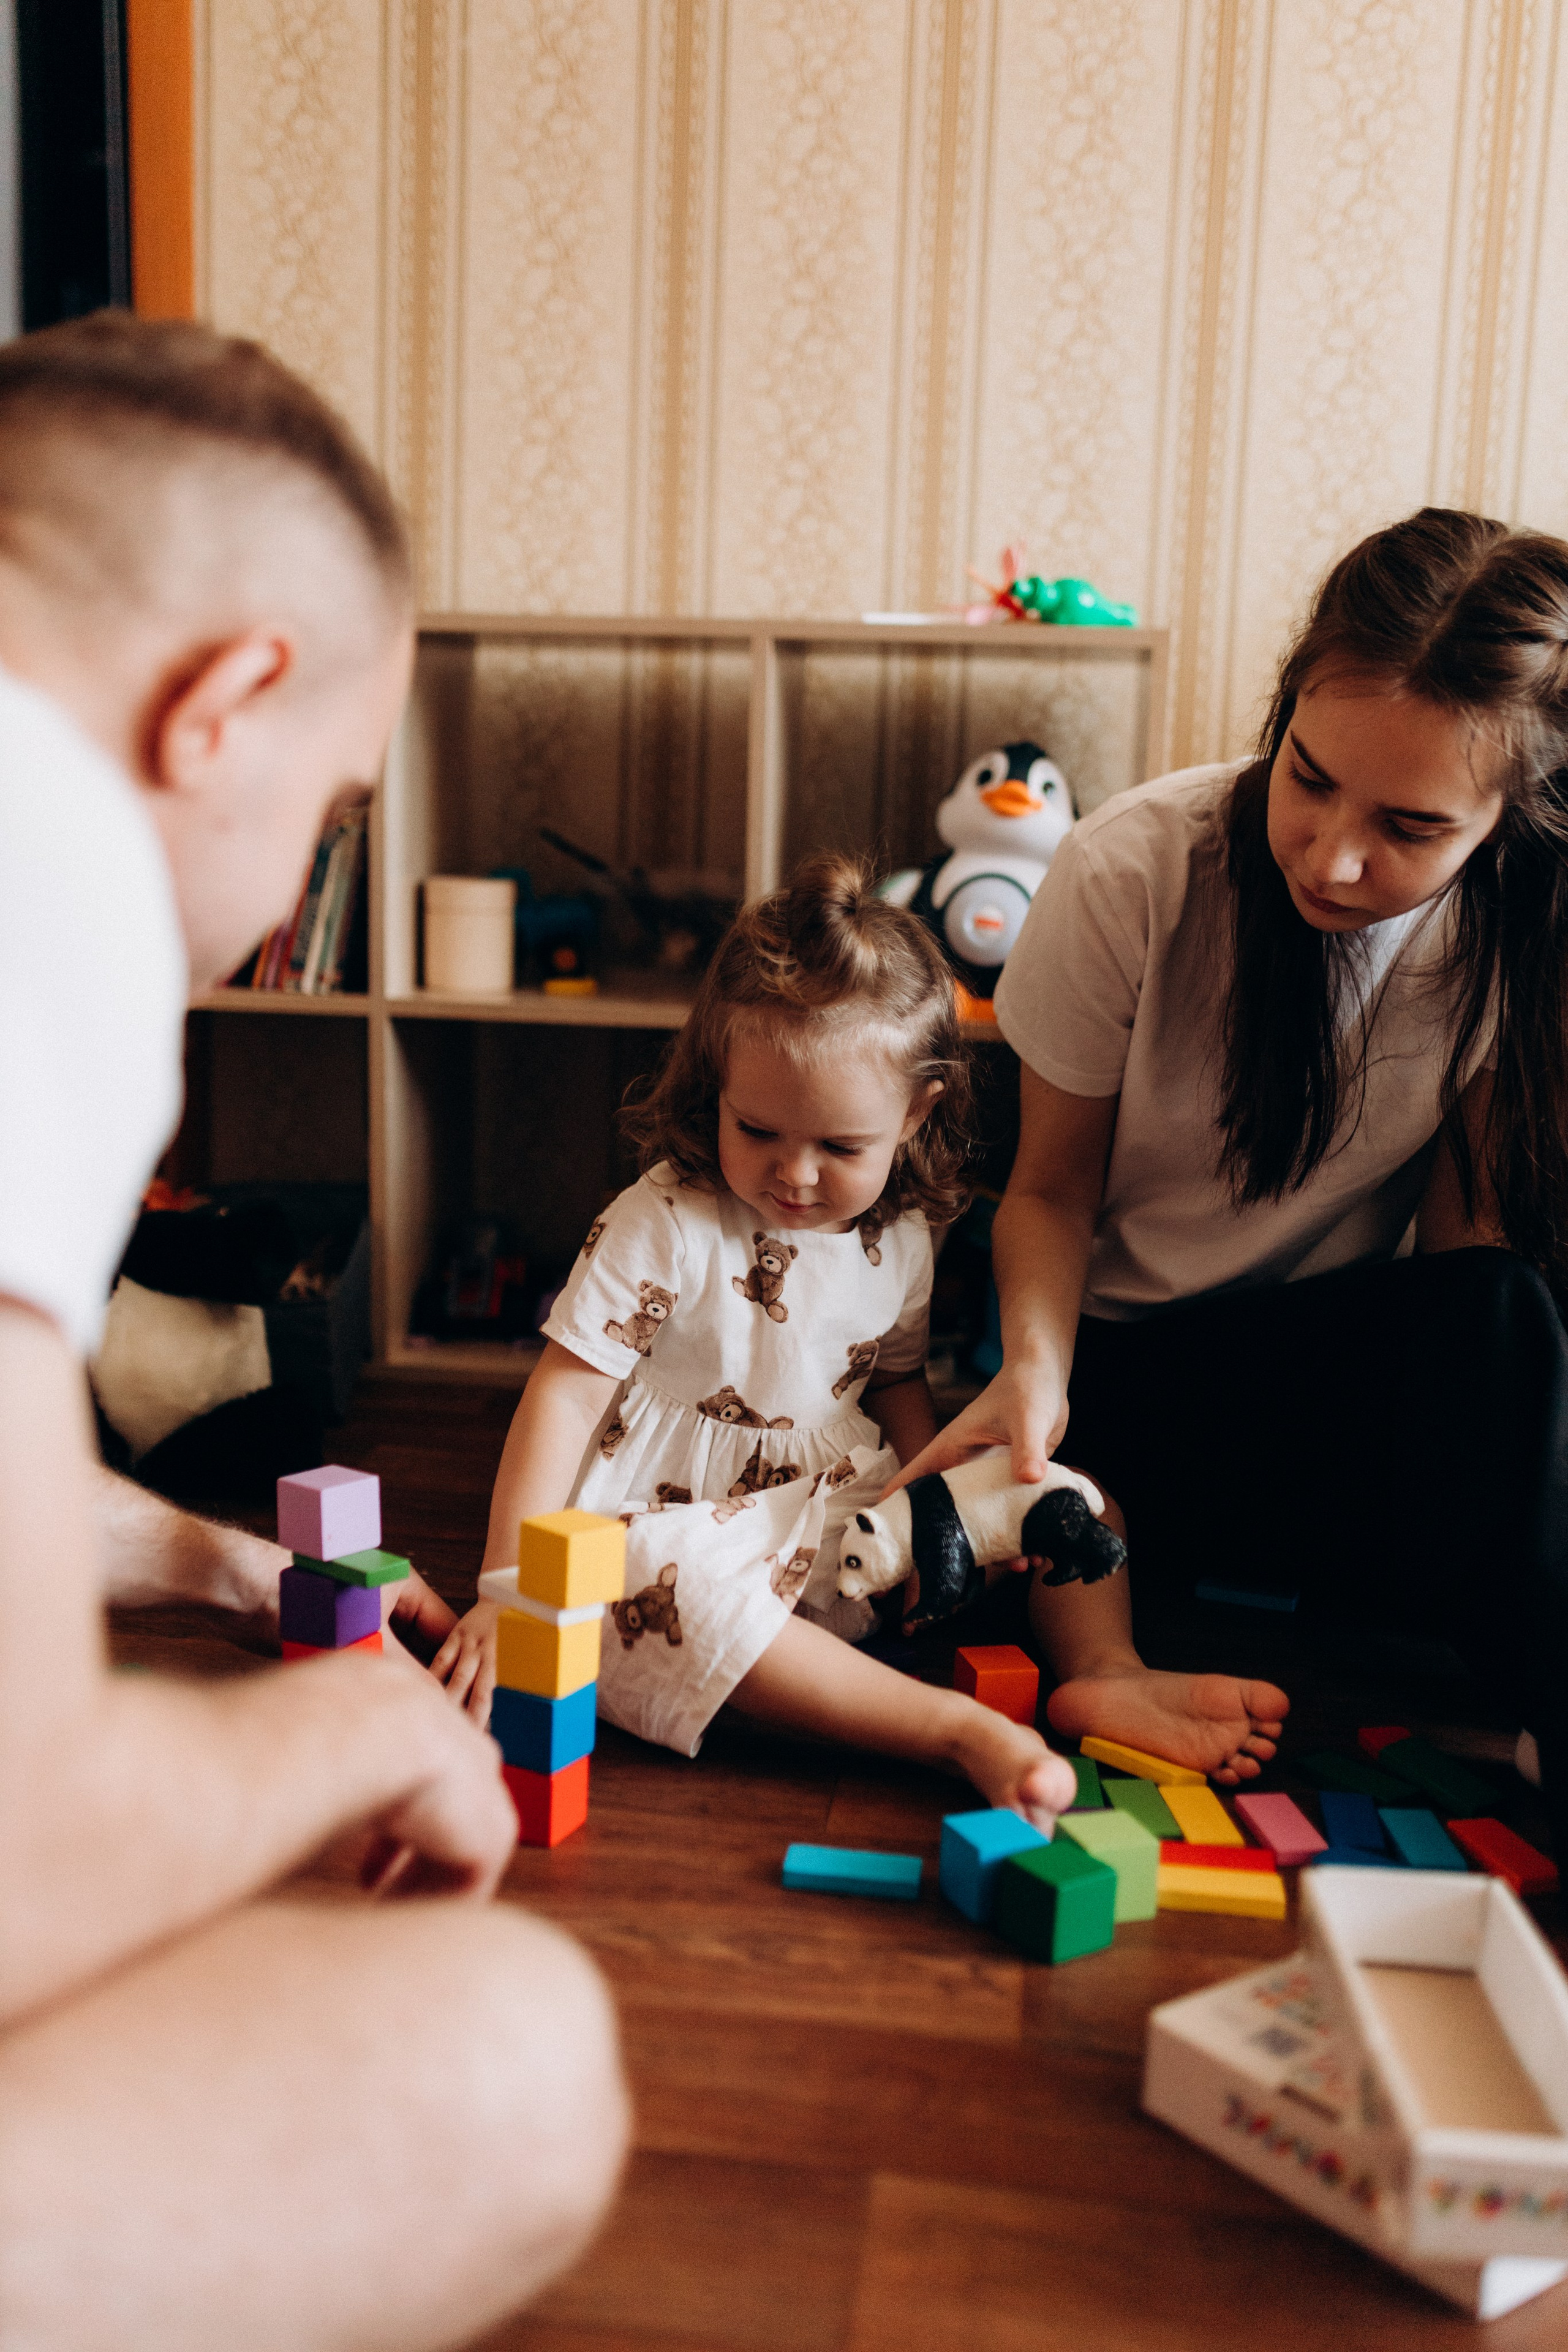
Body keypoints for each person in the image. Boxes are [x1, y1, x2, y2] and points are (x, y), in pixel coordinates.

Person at [0, 313, 627, 2352]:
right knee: (514, 2051)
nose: (281, 891)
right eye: (331, 812)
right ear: (229, 703)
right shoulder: (47, 854)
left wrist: (212, 1560)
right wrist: (344, 1725)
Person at [897, 506, 1568, 1839]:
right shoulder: (1131, 869)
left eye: (1409, 825)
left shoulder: (1517, 925)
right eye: (1306, 777)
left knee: (1505, 1306)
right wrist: (1032, 1377)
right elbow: (1045, 1191)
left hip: (1316, 1422)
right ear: (1283, 711)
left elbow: (1459, 1272)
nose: (1330, 856)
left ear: (1505, 820)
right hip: (1134, 1400)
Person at [434, 854, 1080, 1825]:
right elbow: (564, 1393)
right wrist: (509, 1590)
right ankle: (946, 1731)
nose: (796, 1174)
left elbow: (897, 1382)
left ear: (916, 1114)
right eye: (758, 1128)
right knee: (670, 1597)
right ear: (718, 1083)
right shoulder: (666, 1217)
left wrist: (933, 1505)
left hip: (814, 1510)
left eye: (840, 1147)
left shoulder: (901, 1238)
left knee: (1057, 1500)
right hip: (651, 1527)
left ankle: (1067, 1665)